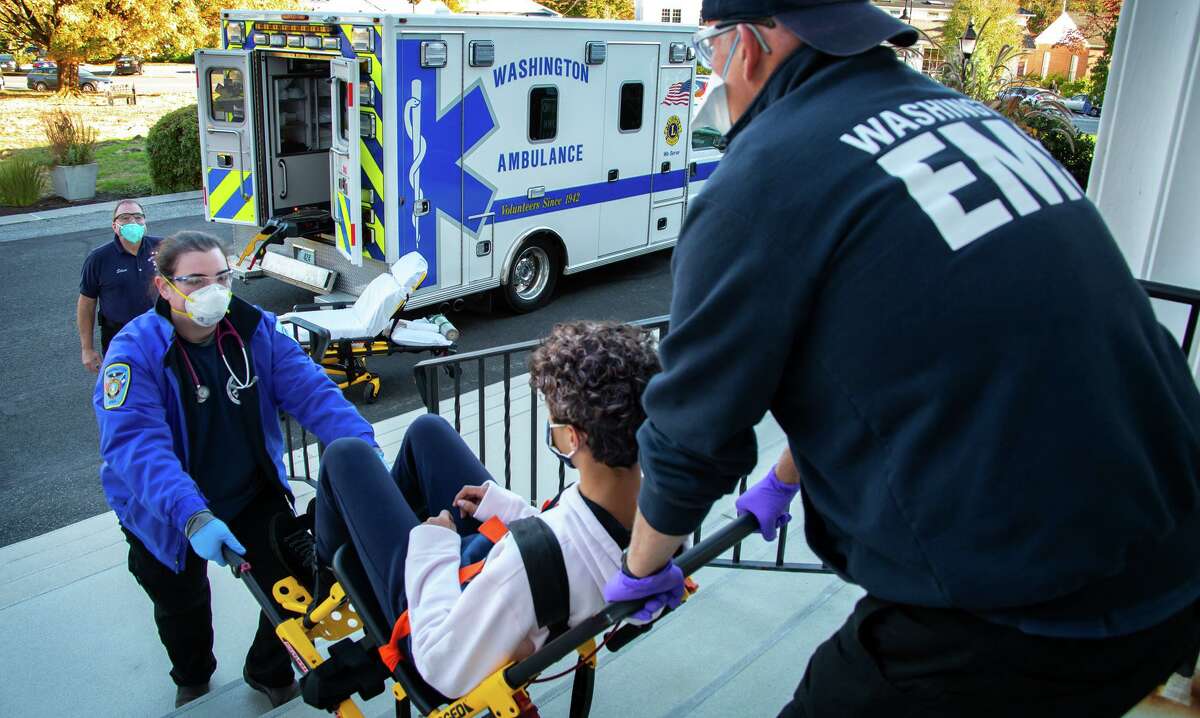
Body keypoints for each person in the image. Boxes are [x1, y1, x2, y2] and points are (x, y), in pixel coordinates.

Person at [603, 1, 1200, 717]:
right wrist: (783, 481)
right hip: (1171, 551)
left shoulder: (764, 175)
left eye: (712, 55)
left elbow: (691, 429)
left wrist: (644, 568)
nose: (715, 81)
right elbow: (885, 349)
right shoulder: (966, 119)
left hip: (1033, 602)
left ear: (750, 47)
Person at [94, 231, 384, 709]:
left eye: (221, 277)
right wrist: (191, 515)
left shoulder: (254, 332)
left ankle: (266, 668)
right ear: (165, 286)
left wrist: (363, 454)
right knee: (182, 604)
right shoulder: (133, 353)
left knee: (297, 586)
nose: (213, 290)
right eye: (195, 280)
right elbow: (136, 446)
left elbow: (314, 394)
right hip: (166, 511)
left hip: (248, 492)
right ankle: (193, 675)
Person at [310, 320, 660, 699]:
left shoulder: (518, 575)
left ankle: (327, 569)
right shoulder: (656, 518)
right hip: (513, 575)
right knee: (427, 432)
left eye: (554, 423)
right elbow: (578, 538)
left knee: (346, 454)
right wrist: (507, 509)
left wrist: (435, 543)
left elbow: (441, 666)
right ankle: (373, 538)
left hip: (437, 622)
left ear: (572, 439)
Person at [78, 199, 161, 371]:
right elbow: (86, 304)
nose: (133, 221)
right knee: (123, 389)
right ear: (114, 226)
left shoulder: (164, 248)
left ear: (145, 223)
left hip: (160, 334)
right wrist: (87, 349)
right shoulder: (99, 259)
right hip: (119, 338)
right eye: (125, 217)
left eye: (138, 217)